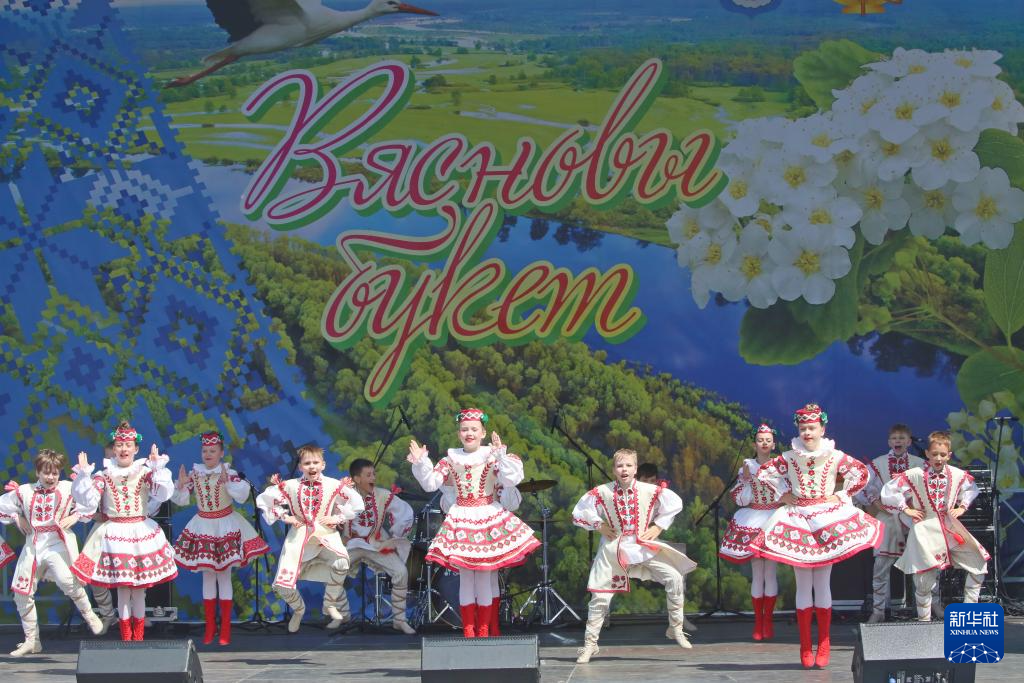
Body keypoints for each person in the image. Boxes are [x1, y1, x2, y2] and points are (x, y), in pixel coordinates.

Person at [752, 404, 881, 668]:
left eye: (812, 428)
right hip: (798, 517)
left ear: (822, 429)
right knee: (803, 585)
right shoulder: (790, 456)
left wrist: (841, 495)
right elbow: (764, 472)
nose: (807, 433)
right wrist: (783, 494)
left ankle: (823, 642)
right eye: (803, 429)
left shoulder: (834, 455)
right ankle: (804, 645)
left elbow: (861, 473)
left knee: (822, 584)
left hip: (826, 517)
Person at [408, 408, 540, 638]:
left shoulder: (491, 456)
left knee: (486, 575)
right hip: (462, 517)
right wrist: (421, 463)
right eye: (464, 429)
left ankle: (486, 627)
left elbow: (511, 479)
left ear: (483, 433)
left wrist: (501, 456)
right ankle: (469, 628)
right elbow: (431, 483)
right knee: (467, 577)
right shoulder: (450, 459)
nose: (469, 433)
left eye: (474, 429)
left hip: (488, 516)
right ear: (458, 433)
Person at [572, 448, 697, 663]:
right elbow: (580, 511)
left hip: (642, 547)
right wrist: (600, 525)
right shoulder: (603, 491)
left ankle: (675, 628)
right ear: (613, 469)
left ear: (635, 469)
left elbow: (674, 503)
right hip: (614, 549)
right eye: (620, 466)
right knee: (600, 596)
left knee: (675, 578)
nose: (624, 469)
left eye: (629, 465)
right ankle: (590, 644)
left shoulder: (649, 490)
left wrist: (658, 526)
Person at [70, 421, 178, 641]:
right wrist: (83, 476)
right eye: (119, 445)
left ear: (136, 448)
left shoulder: (144, 472)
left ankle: (138, 637)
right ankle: (126, 637)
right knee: (122, 589)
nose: (123, 449)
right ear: (114, 448)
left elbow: (162, 493)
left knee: (138, 589)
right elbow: (88, 501)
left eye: (128, 445)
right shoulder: (104, 474)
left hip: (140, 532)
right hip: (115, 535)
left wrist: (158, 468)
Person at [0, 449, 103, 656]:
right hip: (34, 543)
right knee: (22, 591)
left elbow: (89, 503)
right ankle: (32, 640)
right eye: (46, 472)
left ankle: (89, 614)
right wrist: (18, 517)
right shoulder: (24, 491)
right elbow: (3, 506)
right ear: (37, 472)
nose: (50, 477)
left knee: (67, 580)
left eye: (55, 473)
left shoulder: (68, 488)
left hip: (58, 542)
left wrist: (75, 516)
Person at [171, 431, 270, 645]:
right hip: (203, 525)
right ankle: (210, 627)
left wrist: (228, 484)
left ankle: (225, 628)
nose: (208, 454)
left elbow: (242, 495)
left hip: (225, 525)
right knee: (208, 576)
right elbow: (181, 499)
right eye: (205, 451)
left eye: (212, 451)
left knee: (223, 575)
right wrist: (181, 485)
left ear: (221, 453)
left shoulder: (229, 473)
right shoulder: (195, 473)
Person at [880, 430, 989, 620]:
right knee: (924, 580)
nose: (938, 458)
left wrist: (962, 507)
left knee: (978, 563)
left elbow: (971, 489)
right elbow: (890, 490)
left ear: (949, 455)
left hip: (949, 527)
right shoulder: (916, 474)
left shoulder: (956, 474)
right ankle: (925, 623)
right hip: (925, 528)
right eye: (934, 454)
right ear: (927, 454)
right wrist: (906, 509)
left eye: (942, 454)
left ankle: (968, 612)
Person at [256, 444, 363, 632]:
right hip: (299, 539)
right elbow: (264, 500)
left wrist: (337, 518)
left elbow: (356, 504)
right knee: (282, 585)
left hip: (325, 536)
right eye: (307, 463)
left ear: (323, 465)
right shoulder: (291, 485)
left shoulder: (333, 485)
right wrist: (286, 517)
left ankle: (329, 603)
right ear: (300, 467)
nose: (312, 466)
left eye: (315, 462)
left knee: (342, 562)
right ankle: (299, 610)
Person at [855, 423, 927, 623]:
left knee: (924, 562)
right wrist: (876, 502)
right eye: (894, 438)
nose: (898, 441)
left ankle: (927, 609)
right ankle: (879, 610)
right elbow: (861, 485)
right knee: (881, 565)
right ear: (889, 442)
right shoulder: (878, 464)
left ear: (909, 442)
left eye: (902, 438)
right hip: (887, 518)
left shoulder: (920, 464)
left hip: (913, 517)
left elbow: (931, 487)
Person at [339, 458, 416, 634]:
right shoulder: (343, 496)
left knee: (401, 572)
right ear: (357, 478)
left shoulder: (382, 495)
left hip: (376, 544)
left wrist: (395, 536)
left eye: (374, 474)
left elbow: (404, 512)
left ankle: (399, 620)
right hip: (351, 544)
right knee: (332, 569)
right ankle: (343, 615)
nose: (373, 478)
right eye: (368, 475)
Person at [719, 423, 782, 641]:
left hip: (773, 518)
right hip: (754, 517)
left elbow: (786, 493)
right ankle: (758, 623)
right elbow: (741, 499)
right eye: (760, 440)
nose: (764, 443)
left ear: (773, 444)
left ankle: (768, 621)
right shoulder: (747, 466)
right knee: (758, 573)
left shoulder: (780, 466)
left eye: (768, 440)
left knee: (770, 572)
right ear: (754, 444)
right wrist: (746, 479)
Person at [637, 463, 699, 636]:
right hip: (630, 544)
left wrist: (657, 526)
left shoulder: (661, 495)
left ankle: (679, 618)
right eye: (645, 480)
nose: (649, 484)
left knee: (679, 564)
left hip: (652, 542)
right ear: (637, 479)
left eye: (652, 480)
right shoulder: (628, 494)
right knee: (607, 569)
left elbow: (672, 510)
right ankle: (603, 618)